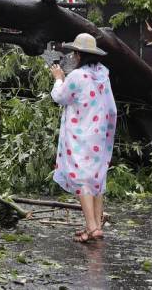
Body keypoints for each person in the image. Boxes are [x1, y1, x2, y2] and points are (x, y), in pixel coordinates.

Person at [50, 32, 116, 243]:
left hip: (80, 134)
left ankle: (91, 226)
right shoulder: (103, 75)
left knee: (81, 179)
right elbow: (112, 109)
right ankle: (95, 226)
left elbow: (60, 97)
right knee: (96, 179)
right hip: (99, 135)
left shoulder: (77, 77)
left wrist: (59, 79)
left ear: (78, 55)